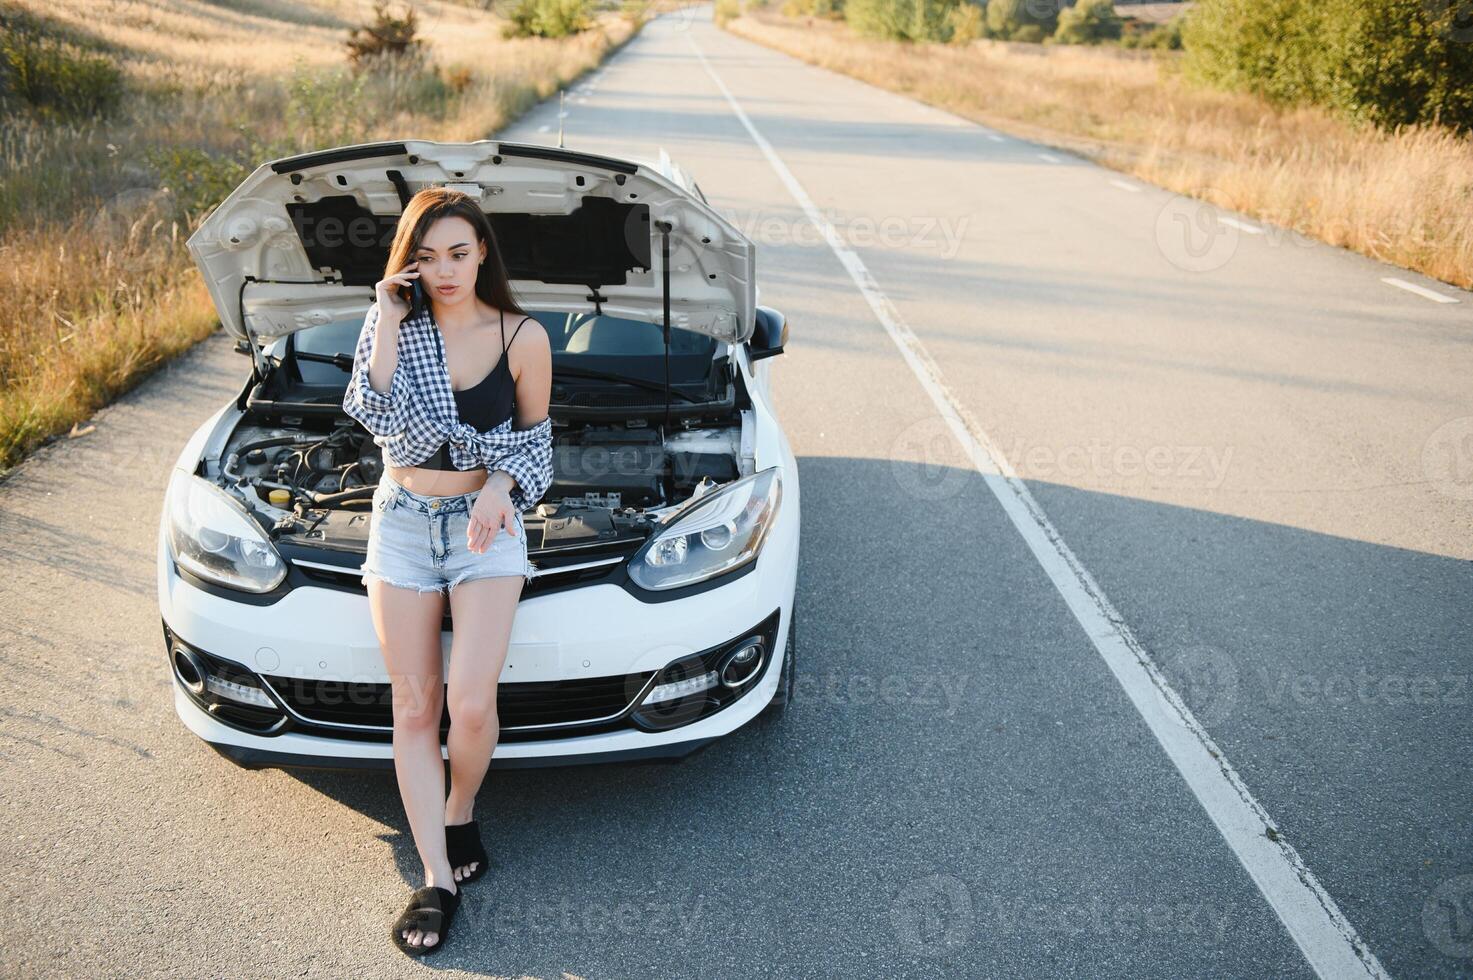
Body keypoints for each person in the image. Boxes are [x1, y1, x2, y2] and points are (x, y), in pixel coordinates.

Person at [340, 187, 554, 957]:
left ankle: (461, 805)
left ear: (483, 252)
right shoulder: (394, 320)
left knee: (468, 705)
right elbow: (371, 412)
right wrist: (390, 319)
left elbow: (536, 447)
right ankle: (435, 876)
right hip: (400, 523)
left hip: (480, 529)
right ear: (408, 263)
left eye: (458, 253)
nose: (444, 270)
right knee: (413, 708)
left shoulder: (522, 335)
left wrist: (498, 489)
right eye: (426, 257)